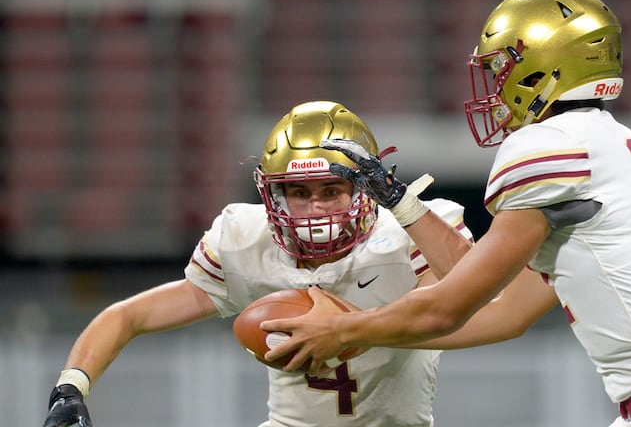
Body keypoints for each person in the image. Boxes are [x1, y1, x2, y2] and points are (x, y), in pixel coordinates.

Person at [261, 0, 631, 426]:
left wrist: (345, 329)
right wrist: (403, 205)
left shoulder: (551, 145)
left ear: (542, 66)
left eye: (502, 67)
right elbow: (502, 308)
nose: (496, 87)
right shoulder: (607, 144)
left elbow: (450, 305)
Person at [42, 100, 476, 427]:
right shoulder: (246, 240)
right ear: (272, 194)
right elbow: (129, 316)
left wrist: (403, 204)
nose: (316, 207)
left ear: (365, 188)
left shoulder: (407, 234)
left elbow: (478, 286)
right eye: (300, 193)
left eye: (331, 190)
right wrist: (70, 387)